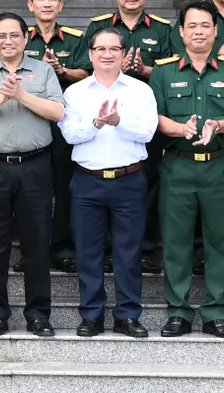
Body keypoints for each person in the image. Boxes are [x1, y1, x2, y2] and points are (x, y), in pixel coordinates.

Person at [150, 1, 224, 340]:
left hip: (221, 166)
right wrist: (182, 130)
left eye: (205, 26)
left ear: (215, 31)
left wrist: (218, 125)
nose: (198, 31)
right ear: (180, 32)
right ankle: (178, 312)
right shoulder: (163, 71)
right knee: (177, 241)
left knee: (221, 242)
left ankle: (216, 312)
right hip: (177, 167)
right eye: (191, 26)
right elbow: (155, 117)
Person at [0, 12, 65, 337]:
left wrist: (22, 96)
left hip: (34, 166)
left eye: (14, 35)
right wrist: (1, 97)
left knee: (36, 244)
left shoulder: (43, 70)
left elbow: (58, 112)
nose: (8, 41)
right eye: (1, 35)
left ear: (26, 37)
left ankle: (38, 314)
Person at [59, 28, 158, 338]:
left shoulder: (140, 90)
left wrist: (119, 122)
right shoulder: (75, 92)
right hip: (88, 181)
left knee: (129, 252)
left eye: (113, 49)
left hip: (129, 180)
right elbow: (69, 134)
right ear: (90, 54)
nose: (106, 54)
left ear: (123, 54)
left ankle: (128, 315)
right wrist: (96, 124)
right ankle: (91, 315)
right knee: (88, 253)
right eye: (100, 49)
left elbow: (147, 133)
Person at [76, 0, 172, 274]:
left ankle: (142, 248)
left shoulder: (162, 29)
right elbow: (83, 65)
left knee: (147, 180)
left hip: (141, 114)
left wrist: (145, 71)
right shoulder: (98, 26)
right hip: (100, 112)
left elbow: (172, 72)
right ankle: (103, 248)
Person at [23, 0, 87, 274]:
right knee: (30, 189)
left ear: (60, 5)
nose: (47, 4)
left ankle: (63, 248)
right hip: (29, 122)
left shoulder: (75, 39)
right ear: (30, 5)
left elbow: (87, 73)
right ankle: (31, 251)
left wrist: (63, 71)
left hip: (64, 124)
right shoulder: (21, 38)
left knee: (64, 187)